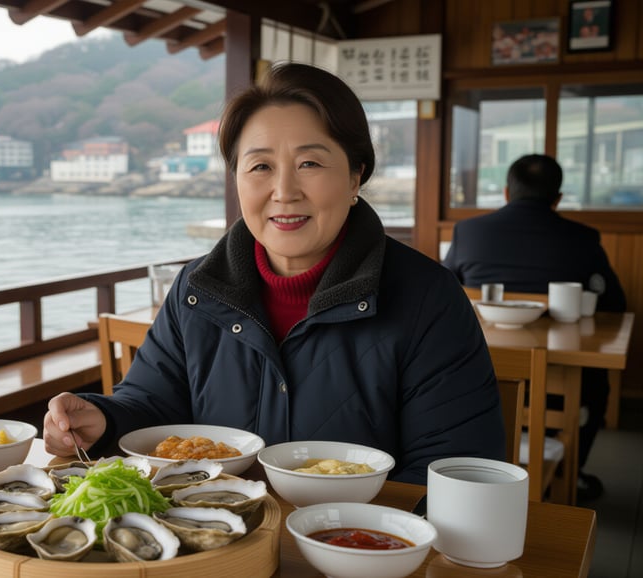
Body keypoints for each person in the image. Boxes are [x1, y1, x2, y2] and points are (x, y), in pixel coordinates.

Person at [43, 62, 506, 485]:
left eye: (310, 163)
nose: (284, 191)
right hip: (220, 533)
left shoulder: (427, 297)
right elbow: (154, 404)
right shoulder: (197, 288)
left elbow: (454, 468)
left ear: (355, 177)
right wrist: (102, 420)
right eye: (260, 166)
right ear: (237, 179)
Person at [443, 153, 627, 501]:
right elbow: (615, 302)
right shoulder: (583, 238)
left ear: (506, 192)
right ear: (557, 198)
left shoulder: (469, 231)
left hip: (478, 371)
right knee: (595, 386)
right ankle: (570, 474)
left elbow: (447, 291)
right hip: (557, 374)